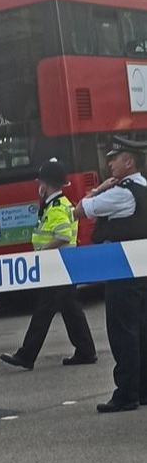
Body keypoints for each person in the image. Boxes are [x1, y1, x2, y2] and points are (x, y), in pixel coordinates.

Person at [73, 136, 147, 413]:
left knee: (122, 332)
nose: (110, 163)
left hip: (121, 270)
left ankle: (126, 393)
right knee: (142, 329)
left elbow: (79, 211)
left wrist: (98, 190)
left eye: (114, 158)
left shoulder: (120, 193)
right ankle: (142, 389)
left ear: (129, 161)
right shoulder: (144, 188)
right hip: (143, 270)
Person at [0, 159, 97, 370]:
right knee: (70, 308)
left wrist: (43, 252)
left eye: (40, 183)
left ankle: (26, 355)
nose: (38, 187)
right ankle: (86, 350)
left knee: (43, 311)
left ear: (45, 184)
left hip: (58, 265)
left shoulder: (55, 208)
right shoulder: (60, 204)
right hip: (64, 264)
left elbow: (63, 235)